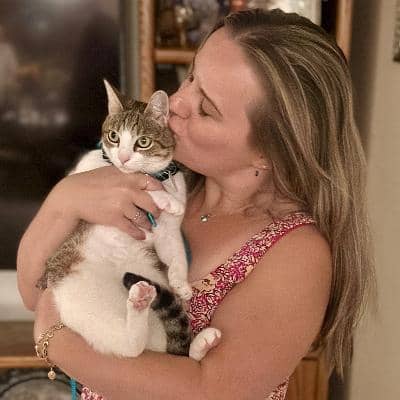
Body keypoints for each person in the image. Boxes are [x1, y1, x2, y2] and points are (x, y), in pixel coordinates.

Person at [17, 8, 375, 400]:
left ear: (271, 150)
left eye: (206, 108)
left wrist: (55, 342)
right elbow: (37, 292)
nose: (176, 102)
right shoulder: (158, 184)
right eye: (190, 78)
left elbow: (209, 391)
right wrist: (63, 202)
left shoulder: (296, 253)